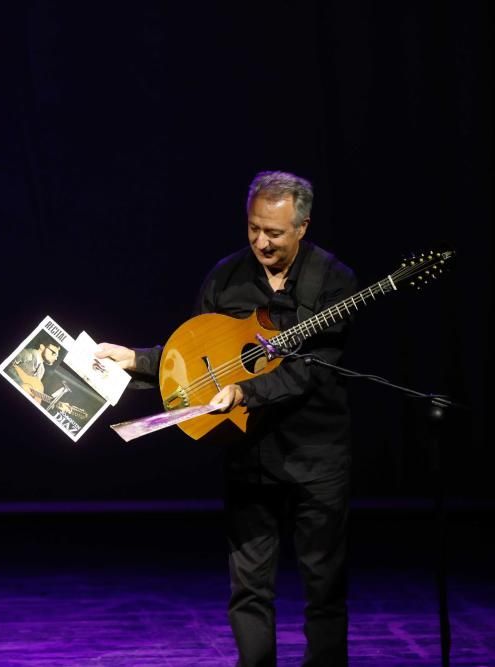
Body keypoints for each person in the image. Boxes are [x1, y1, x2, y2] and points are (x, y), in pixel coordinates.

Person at [98, 171, 358, 666]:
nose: (262, 241)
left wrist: (244, 390)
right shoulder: (225, 277)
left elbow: (306, 375)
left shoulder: (334, 281)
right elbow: (193, 359)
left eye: (275, 233)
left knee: (324, 585)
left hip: (315, 455)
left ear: (302, 226)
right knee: (249, 587)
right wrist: (134, 359)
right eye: (254, 228)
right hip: (248, 455)